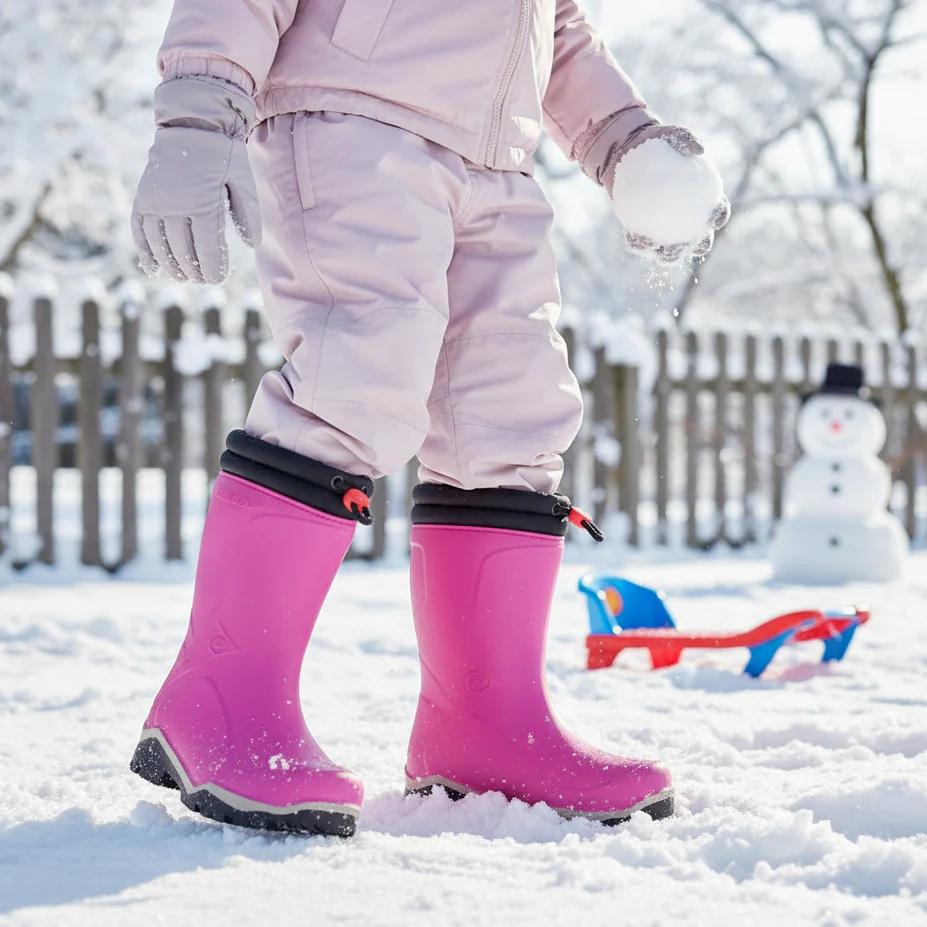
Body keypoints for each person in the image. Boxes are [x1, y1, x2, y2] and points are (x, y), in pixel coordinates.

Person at [129, 0, 729, 837]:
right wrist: (198, 109)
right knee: (353, 382)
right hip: (353, 116)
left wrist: (623, 138)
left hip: (497, 162)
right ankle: (221, 699)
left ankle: (483, 725)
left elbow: (554, 26)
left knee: (511, 418)